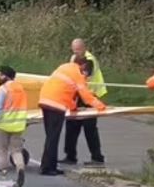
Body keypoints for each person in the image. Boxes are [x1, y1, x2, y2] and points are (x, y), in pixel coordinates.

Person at [38, 57, 107, 176]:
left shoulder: (64, 67)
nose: (85, 76)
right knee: (53, 138)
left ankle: (48, 165)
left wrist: (72, 107)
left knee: (50, 137)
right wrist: (101, 106)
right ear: (83, 66)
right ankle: (48, 168)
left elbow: (66, 91)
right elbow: (85, 96)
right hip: (56, 105)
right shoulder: (77, 73)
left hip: (45, 100)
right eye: (86, 74)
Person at [62, 38, 107, 167]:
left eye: (78, 50)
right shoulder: (73, 58)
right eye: (74, 50)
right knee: (71, 126)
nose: (76, 53)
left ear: (84, 48)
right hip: (78, 96)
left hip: (91, 97)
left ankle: (97, 158)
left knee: (89, 128)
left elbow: (83, 75)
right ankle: (70, 156)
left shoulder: (90, 60)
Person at [0, 66, 28, 187]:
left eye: (0, 75)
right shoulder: (21, 88)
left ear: (5, 76)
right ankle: (20, 168)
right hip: (18, 125)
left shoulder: (3, 89)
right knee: (16, 151)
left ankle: (3, 173)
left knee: (2, 150)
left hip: (3, 124)